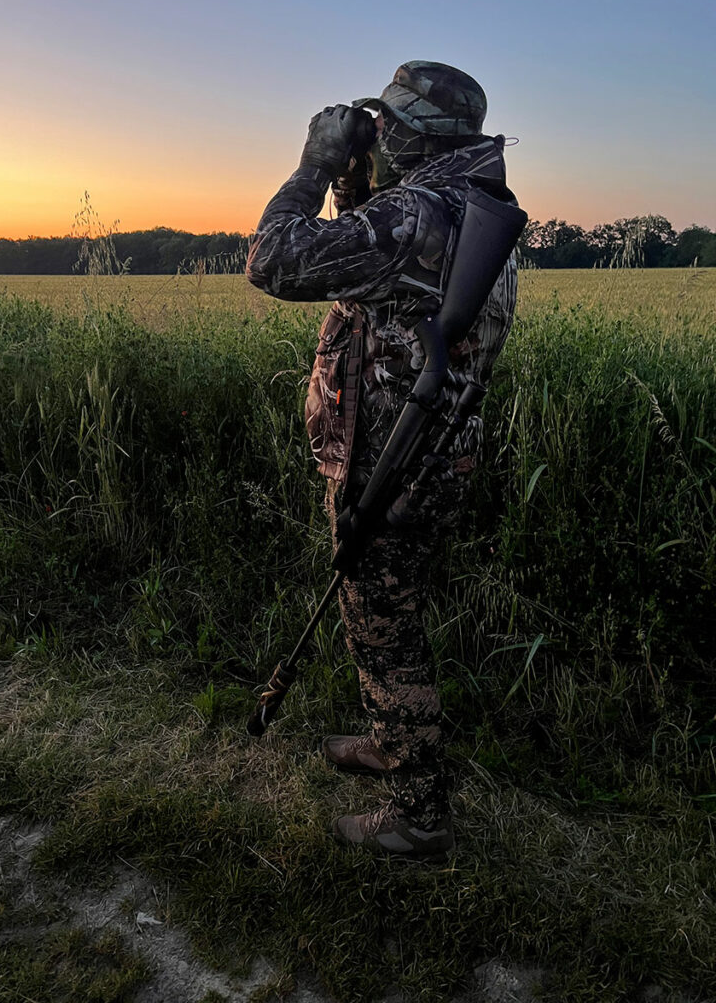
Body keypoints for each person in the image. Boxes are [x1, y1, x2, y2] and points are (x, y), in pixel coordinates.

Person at [246, 61, 519, 860]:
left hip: (392, 458)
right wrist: (358, 185)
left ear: (423, 132)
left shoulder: (419, 213)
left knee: (384, 630)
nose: (381, 130)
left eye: (391, 121)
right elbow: (377, 273)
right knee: (386, 614)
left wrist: (314, 165)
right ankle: (391, 740)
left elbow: (275, 260)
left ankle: (419, 813)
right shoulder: (470, 201)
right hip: (438, 447)